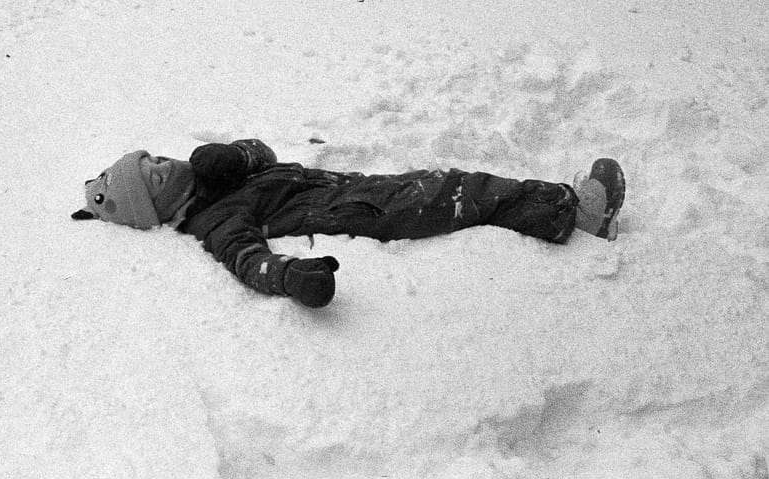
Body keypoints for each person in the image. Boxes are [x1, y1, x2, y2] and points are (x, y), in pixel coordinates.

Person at [71, 139, 625, 308]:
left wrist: (239, 157)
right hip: (365, 213)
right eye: (155, 179)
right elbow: (244, 258)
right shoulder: (214, 217)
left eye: (156, 161)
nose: (165, 166)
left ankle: (562, 208)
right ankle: (578, 213)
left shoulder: (213, 176)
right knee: (465, 192)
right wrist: (288, 276)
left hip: (354, 189)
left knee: (458, 186)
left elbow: (263, 153)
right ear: (161, 210)